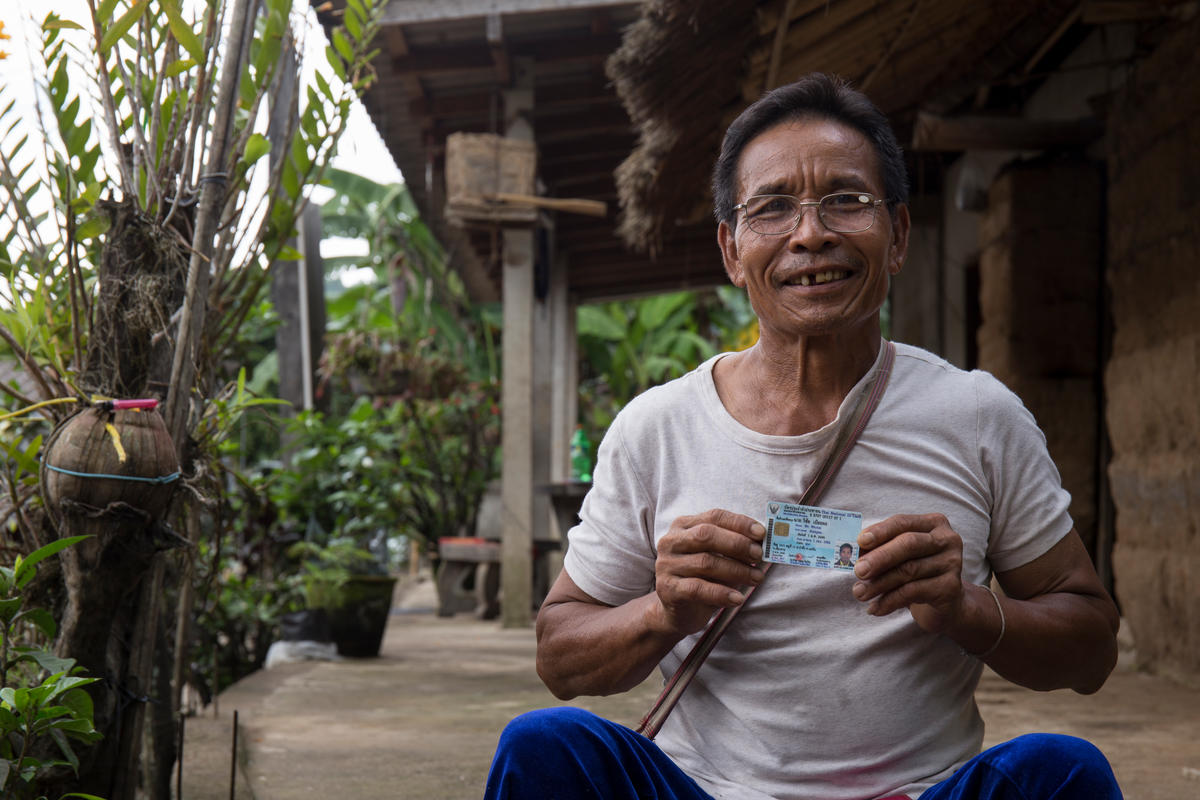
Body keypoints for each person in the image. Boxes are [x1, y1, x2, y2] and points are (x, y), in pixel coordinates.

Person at [483, 73, 1122, 800]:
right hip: (706, 791)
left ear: (899, 235)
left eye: (847, 200)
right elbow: (559, 654)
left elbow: (1093, 646)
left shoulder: (977, 415)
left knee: (1063, 772)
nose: (810, 233)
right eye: (773, 207)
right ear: (731, 250)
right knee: (543, 747)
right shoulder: (658, 428)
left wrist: (967, 609)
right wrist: (663, 611)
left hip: (919, 794)